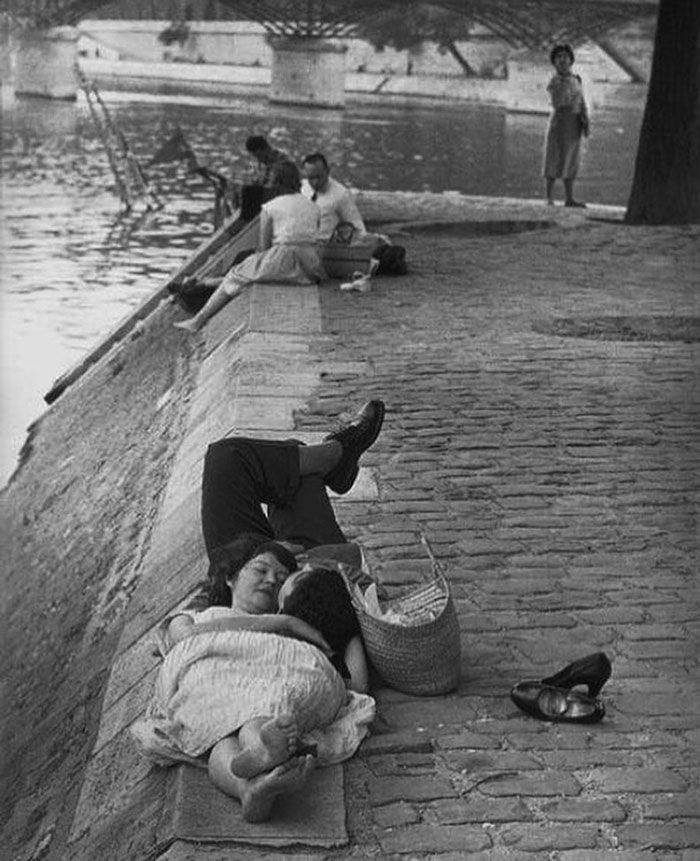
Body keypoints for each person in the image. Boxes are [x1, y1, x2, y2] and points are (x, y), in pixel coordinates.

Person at [131, 401, 385, 822]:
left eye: (275, 577)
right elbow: (182, 636)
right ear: (229, 580)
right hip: (301, 560)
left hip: (297, 574)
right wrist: (282, 615)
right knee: (294, 469)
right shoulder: (217, 608)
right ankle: (336, 455)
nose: (270, 581)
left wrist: (301, 594)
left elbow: (350, 661)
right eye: (261, 574)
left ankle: (333, 457)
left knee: (235, 459)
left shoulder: (267, 611)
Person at [174, 161, 324, 333]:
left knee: (234, 275)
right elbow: (312, 238)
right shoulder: (314, 207)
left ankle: (197, 321)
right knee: (247, 271)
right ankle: (209, 286)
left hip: (283, 260)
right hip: (310, 266)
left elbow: (263, 247)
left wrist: (254, 261)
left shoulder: (270, 207)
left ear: (275, 182)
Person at [543, 44, 590, 208]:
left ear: (571, 60)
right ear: (554, 62)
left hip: (574, 123)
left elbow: (582, 101)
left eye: (565, 56)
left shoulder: (577, 79)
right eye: (559, 57)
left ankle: (569, 198)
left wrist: (585, 120)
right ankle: (549, 197)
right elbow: (558, 102)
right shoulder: (554, 81)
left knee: (571, 158)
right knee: (553, 156)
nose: (562, 60)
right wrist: (566, 86)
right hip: (559, 121)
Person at [301, 152, 368, 242]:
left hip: (325, 245)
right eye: (311, 178)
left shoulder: (341, 195)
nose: (315, 182)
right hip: (302, 242)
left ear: (327, 171)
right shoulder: (301, 188)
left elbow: (358, 228)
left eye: (319, 177)